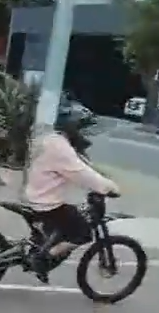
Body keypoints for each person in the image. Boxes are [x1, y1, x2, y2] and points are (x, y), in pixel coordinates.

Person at [19, 112, 120, 279]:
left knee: (63, 221)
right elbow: (82, 174)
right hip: (45, 203)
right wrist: (109, 187)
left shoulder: (52, 140)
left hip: (30, 194)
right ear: (73, 130)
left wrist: (99, 176)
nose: (85, 135)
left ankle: (42, 248)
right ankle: (45, 257)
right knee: (82, 232)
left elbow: (83, 166)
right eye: (82, 131)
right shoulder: (61, 149)